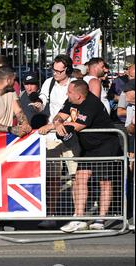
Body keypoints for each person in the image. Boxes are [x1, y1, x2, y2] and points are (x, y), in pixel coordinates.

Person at [52, 80, 123, 232]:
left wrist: (58, 126)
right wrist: (57, 123)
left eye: (69, 92)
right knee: (80, 178)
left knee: (105, 182)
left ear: (78, 95)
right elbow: (59, 116)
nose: (67, 94)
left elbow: (77, 126)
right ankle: (78, 217)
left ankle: (101, 219)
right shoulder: (71, 100)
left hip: (105, 145)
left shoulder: (91, 104)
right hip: (88, 147)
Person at [0, 66, 32, 232]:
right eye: (14, 79)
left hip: (6, 144)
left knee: (7, 180)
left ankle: (6, 216)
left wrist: (24, 123)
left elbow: (18, 111)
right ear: (8, 79)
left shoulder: (10, 93)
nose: (16, 83)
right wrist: (12, 129)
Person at [37, 54, 79, 229]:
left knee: (76, 175)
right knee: (52, 177)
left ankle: (79, 214)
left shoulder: (74, 85)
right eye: (53, 70)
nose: (55, 73)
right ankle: (51, 214)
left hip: (70, 135)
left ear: (67, 70)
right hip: (52, 136)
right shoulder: (49, 82)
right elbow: (43, 99)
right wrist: (38, 104)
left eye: (58, 71)